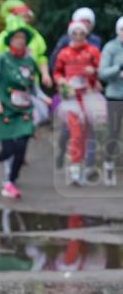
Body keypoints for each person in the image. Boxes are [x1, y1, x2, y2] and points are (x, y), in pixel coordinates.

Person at [0, 27, 52, 199]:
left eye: (23, 38)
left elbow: (33, 87)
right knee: (8, 149)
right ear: (10, 41)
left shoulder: (29, 60)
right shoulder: (2, 60)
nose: (20, 41)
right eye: (16, 38)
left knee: (21, 147)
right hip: (5, 108)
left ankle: (9, 182)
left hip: (24, 110)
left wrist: (43, 97)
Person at [54, 20, 103, 185]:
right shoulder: (64, 53)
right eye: (75, 33)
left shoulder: (93, 51)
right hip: (71, 98)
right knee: (76, 133)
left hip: (89, 97)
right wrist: (62, 82)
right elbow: (57, 72)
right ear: (70, 35)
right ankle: (75, 171)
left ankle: (87, 166)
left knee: (90, 133)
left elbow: (101, 71)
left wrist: (94, 72)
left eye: (81, 33)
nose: (78, 37)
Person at [98, 16, 123, 186]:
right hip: (115, 95)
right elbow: (102, 73)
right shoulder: (110, 48)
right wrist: (118, 68)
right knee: (113, 132)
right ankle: (108, 164)